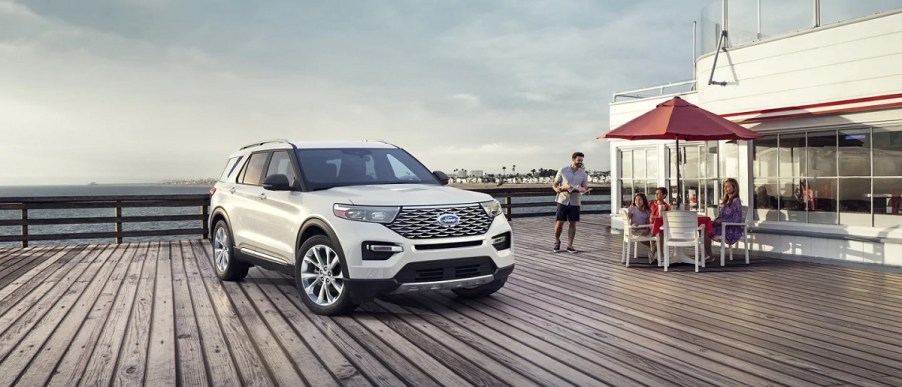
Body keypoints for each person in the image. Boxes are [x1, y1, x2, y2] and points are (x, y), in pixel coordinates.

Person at [552, 152, 589, 253]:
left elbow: (585, 187)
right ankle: (557, 241)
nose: (580, 162)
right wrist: (557, 189)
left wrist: (585, 190)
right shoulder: (563, 170)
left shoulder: (583, 174)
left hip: (575, 201)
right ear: (573, 159)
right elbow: (555, 184)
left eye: (582, 160)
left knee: (573, 223)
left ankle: (570, 245)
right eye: (578, 160)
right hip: (562, 200)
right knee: (560, 222)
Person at [705, 178, 744, 259]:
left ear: (734, 187)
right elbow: (720, 216)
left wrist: (722, 221)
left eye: (728, 186)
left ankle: (709, 255)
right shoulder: (726, 201)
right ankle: (707, 254)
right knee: (704, 228)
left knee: (706, 231)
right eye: (724, 187)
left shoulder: (736, 201)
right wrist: (714, 221)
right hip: (722, 227)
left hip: (731, 229)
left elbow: (737, 220)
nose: (725, 188)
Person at [648, 187, 670, 262]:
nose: (656, 195)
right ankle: (661, 255)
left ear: (664, 195)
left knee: (660, 232)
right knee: (660, 233)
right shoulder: (651, 203)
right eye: (656, 193)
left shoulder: (666, 206)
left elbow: (666, 218)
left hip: (660, 227)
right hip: (650, 226)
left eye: (658, 193)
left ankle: (654, 252)